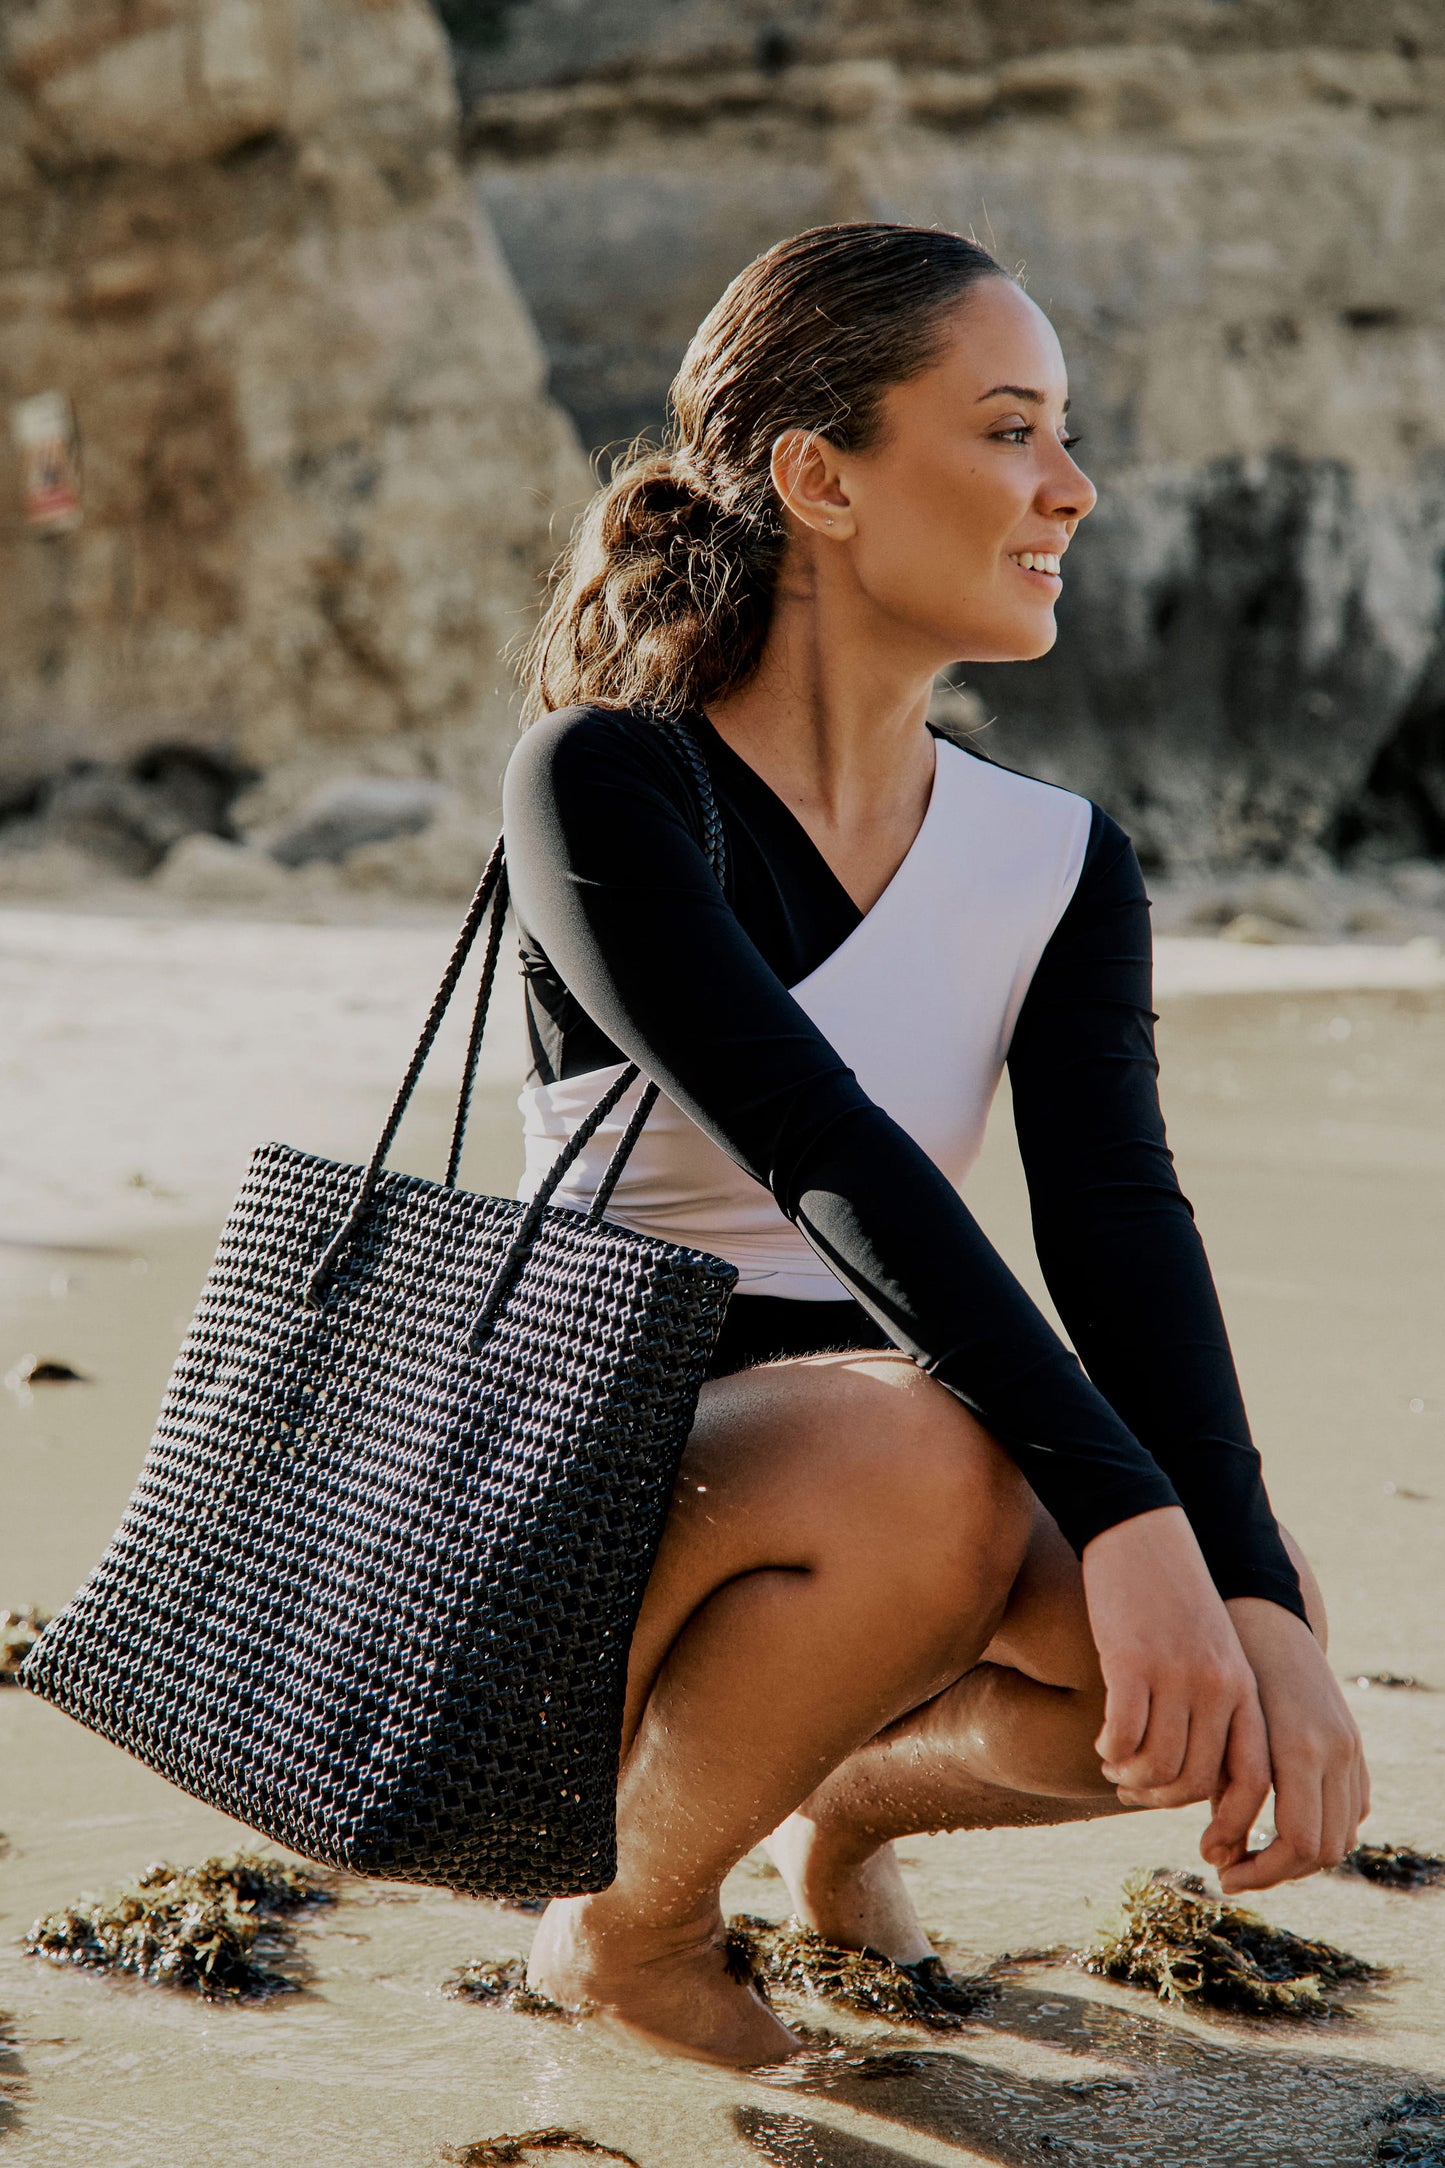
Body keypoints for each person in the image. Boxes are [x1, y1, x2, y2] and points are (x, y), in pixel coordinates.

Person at [499, 222, 1368, 2067]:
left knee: (1220, 1631)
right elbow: (824, 1145)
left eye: (1063, 433)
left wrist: (1237, 1574)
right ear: (819, 480)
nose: (1070, 487)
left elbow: (1119, 1218)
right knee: (937, 1467)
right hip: (605, 1495)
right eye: (1006, 430)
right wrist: (1121, 1508)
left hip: (904, 1456)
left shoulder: (1052, 854)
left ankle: (846, 1797)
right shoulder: (608, 781)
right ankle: (629, 1925)